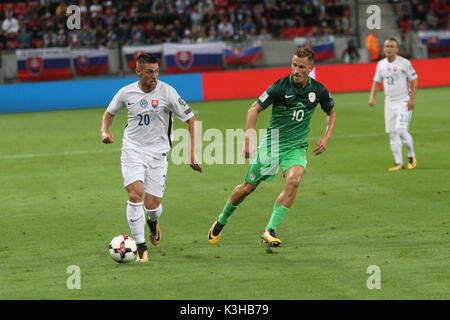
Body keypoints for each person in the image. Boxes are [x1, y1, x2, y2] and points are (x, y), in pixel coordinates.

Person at [208, 47, 336, 246]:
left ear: (311, 68)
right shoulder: (280, 87)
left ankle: (270, 230)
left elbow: (331, 112)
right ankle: (221, 220)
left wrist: (327, 136)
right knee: (247, 188)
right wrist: (249, 139)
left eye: (301, 67)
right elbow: (253, 109)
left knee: (294, 181)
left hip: (295, 147)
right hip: (272, 144)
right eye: (294, 65)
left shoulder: (318, 90)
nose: (296, 70)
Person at [101, 53, 202, 262]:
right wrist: (105, 131)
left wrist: (192, 153)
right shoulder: (126, 93)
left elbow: (192, 120)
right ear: (138, 72)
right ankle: (140, 246)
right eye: (149, 72)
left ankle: (153, 222)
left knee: (152, 205)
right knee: (134, 195)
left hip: (158, 154)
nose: (154, 76)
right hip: (133, 150)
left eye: (156, 71)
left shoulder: (168, 92)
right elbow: (110, 112)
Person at [369, 38, 418, 171]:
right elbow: (376, 82)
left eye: (392, 46)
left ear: (397, 49)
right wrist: (372, 98)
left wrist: (411, 99)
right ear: (384, 49)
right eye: (387, 46)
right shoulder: (381, 64)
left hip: (403, 101)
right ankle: (399, 163)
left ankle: (411, 156)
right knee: (392, 133)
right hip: (389, 102)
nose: (389, 49)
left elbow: (414, 80)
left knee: (401, 130)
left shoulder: (404, 63)